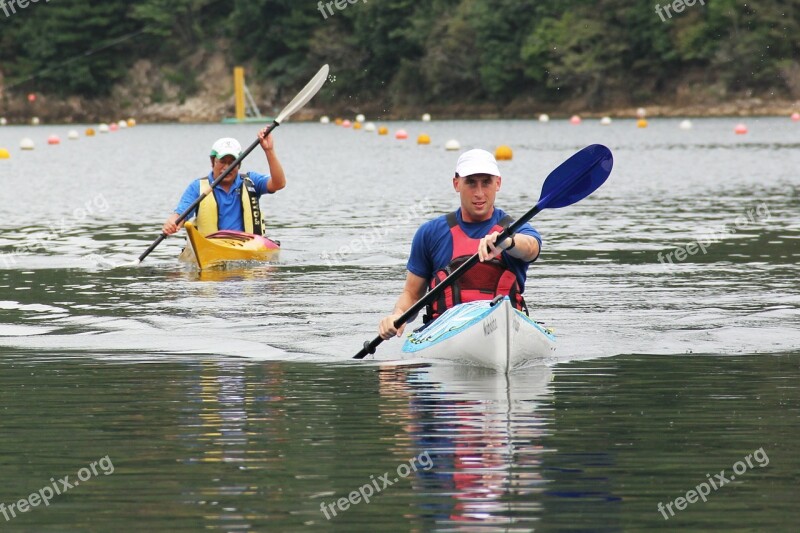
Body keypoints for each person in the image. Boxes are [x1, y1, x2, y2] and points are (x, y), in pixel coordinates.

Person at [379, 149, 542, 340]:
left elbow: (531, 249)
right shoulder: (430, 233)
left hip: (507, 331)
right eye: (471, 182)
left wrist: (507, 241)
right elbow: (412, 294)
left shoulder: (516, 229)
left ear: (498, 183)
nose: (479, 193)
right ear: (456, 184)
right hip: (444, 334)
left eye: (486, 182)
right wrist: (397, 315)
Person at [162, 128, 286, 237]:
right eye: (222, 161)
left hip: (249, 246)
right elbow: (181, 213)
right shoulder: (197, 187)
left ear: (239, 163)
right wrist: (173, 222)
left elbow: (279, 183)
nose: (226, 167)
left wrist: (269, 150)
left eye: (232, 162)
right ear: (213, 162)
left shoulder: (251, 181)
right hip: (211, 247)